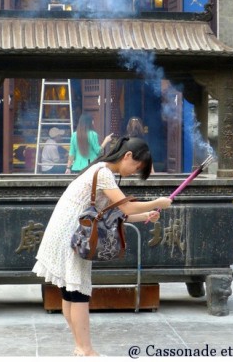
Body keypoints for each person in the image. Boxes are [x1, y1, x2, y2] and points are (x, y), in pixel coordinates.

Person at [32, 137, 172, 356]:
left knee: (70, 293)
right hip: (74, 237)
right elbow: (126, 206)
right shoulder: (104, 174)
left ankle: (80, 346)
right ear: (127, 156)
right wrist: (157, 203)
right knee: (78, 293)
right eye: (136, 167)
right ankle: (85, 350)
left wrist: (146, 215)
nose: (134, 171)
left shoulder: (100, 170)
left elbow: (116, 215)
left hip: (67, 234)